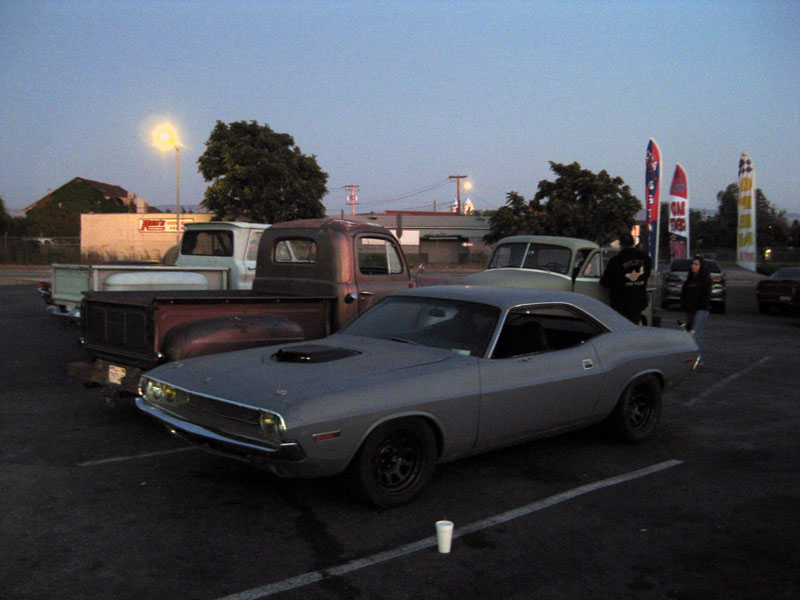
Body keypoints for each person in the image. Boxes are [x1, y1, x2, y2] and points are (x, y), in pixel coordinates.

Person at [600, 233, 652, 324]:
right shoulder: (645, 257)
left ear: (621, 245)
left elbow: (605, 282)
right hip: (638, 299)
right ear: (633, 243)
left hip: (621, 301)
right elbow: (647, 274)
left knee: (620, 326)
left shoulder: (616, 260)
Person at [681, 255, 712, 369]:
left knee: (695, 334)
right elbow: (684, 293)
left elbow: (705, 297)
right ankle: (693, 359)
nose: (693, 266)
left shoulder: (705, 280)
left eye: (696, 264)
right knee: (690, 335)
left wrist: (697, 304)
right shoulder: (689, 279)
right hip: (690, 309)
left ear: (701, 266)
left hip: (701, 309)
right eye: (692, 264)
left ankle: (699, 360)